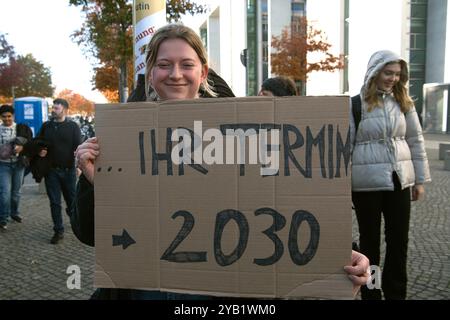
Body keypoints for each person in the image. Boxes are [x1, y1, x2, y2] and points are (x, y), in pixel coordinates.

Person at [72, 24, 369, 299]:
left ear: (203, 73)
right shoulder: (122, 139)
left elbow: (287, 201)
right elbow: (88, 232)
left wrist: (343, 254)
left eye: (187, 64)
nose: (175, 73)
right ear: (151, 73)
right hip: (147, 288)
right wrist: (95, 181)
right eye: (164, 65)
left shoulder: (246, 129)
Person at [350, 50, 431, 300]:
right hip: (365, 185)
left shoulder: (404, 103)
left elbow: (415, 141)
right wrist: (341, 188)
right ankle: (371, 293)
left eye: (397, 74)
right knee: (369, 244)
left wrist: (419, 180)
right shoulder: (354, 104)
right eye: (388, 73)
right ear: (375, 73)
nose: (393, 78)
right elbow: (344, 147)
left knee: (399, 242)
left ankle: (397, 293)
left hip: (399, 182)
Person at [36, 98, 82, 244]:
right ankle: (58, 230)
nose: (53, 110)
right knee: (54, 202)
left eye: (57, 108)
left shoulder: (73, 126)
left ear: (65, 109)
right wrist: (40, 150)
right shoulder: (46, 126)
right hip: (51, 171)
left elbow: (78, 148)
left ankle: (77, 224)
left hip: (68, 171)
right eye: (53, 108)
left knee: (72, 201)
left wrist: (79, 167)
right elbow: (38, 142)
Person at [0, 104, 33, 230]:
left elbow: (30, 143)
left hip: (19, 164)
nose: (7, 119)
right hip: (3, 165)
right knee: (4, 193)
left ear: (13, 116)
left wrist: (22, 147)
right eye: (4, 117)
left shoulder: (20, 128)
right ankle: (3, 218)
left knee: (16, 193)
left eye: (9, 116)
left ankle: (15, 213)